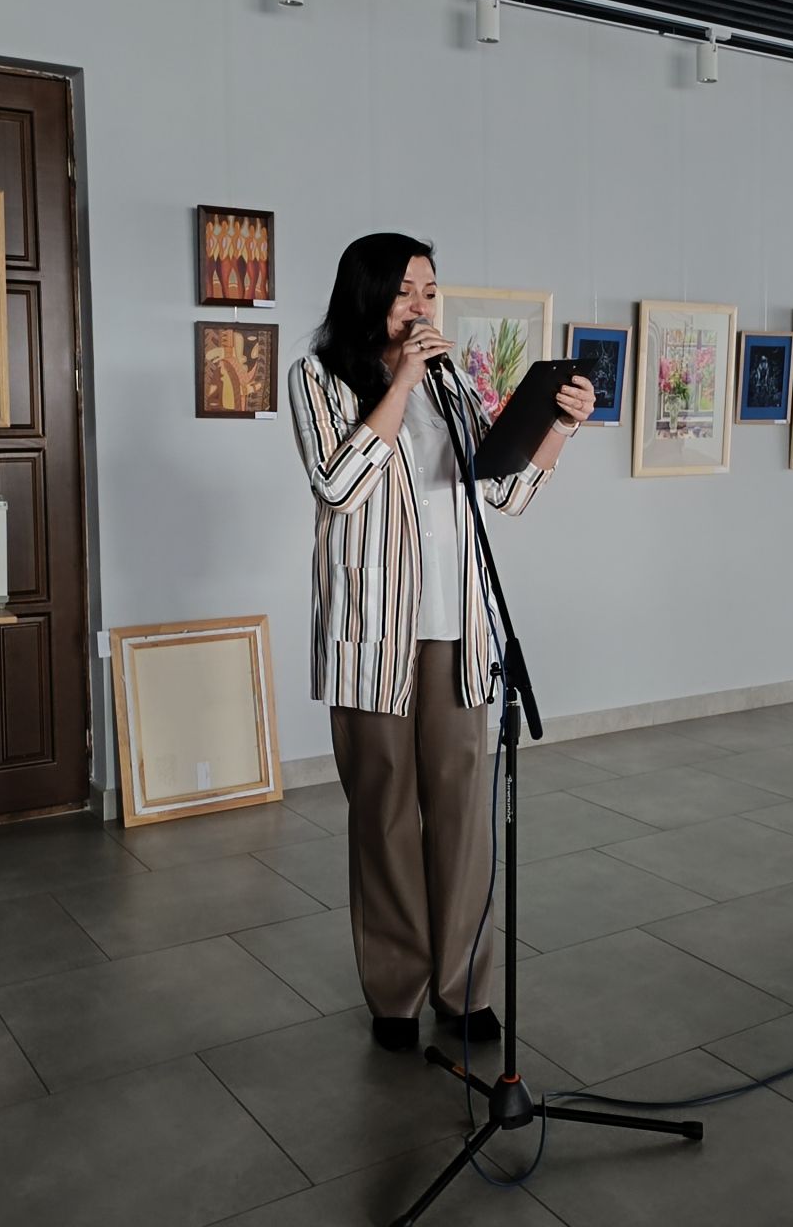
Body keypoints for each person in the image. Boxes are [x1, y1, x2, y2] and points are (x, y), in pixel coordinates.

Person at [287, 233, 592, 1054]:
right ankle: (396, 992)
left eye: (429, 290)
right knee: (384, 814)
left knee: (461, 814)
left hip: (458, 629)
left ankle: (462, 988)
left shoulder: (453, 384)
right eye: (404, 291)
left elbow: (503, 495)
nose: (421, 306)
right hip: (371, 635)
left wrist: (558, 429)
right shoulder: (317, 378)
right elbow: (339, 485)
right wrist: (400, 383)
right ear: (367, 295)